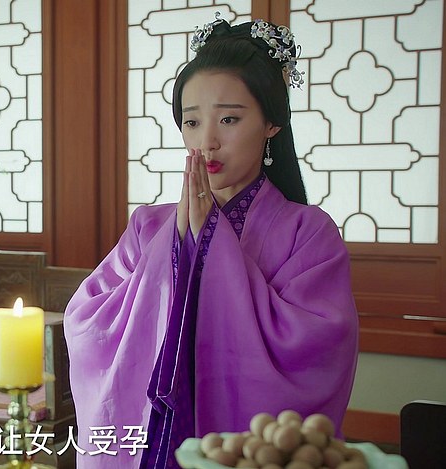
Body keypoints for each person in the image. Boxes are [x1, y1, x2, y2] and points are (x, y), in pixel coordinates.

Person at [63, 15, 358, 469]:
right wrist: (175, 242)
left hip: (241, 446)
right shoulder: (147, 226)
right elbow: (88, 320)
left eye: (229, 119)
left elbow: (317, 345)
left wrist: (210, 244)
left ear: (271, 123)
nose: (208, 141)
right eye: (192, 122)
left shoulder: (309, 232)